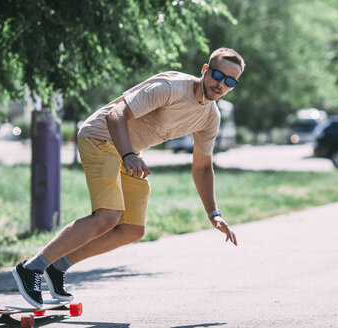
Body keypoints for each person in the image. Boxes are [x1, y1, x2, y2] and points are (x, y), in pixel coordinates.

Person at [13, 47, 245, 308]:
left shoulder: (210, 117)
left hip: (128, 152)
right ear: (205, 70)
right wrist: (128, 155)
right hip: (99, 136)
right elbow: (116, 114)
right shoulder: (170, 87)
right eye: (217, 74)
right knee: (108, 215)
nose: (220, 84)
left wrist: (214, 214)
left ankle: (58, 266)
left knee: (133, 228)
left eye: (230, 81)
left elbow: (202, 167)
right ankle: (32, 268)